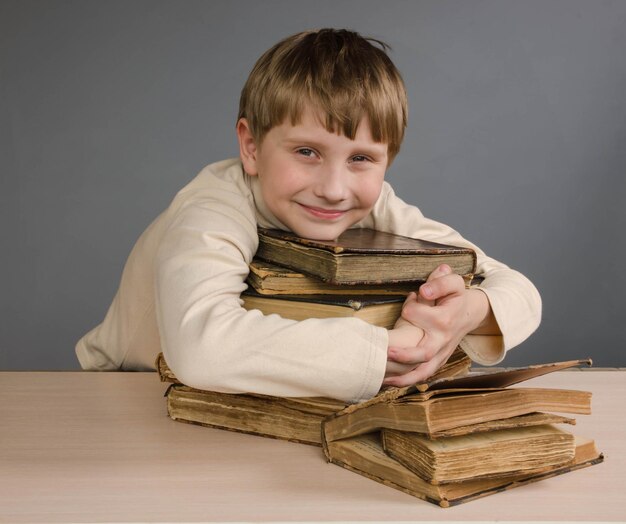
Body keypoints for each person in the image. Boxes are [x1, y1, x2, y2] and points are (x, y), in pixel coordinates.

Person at [76, 28, 541, 403]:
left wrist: (467, 312)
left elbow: (517, 287)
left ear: (387, 162)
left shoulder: (375, 206)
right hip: (122, 393)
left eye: (361, 159)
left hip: (252, 398)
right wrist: (386, 351)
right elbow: (201, 349)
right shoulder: (213, 205)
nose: (334, 190)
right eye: (306, 152)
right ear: (251, 147)